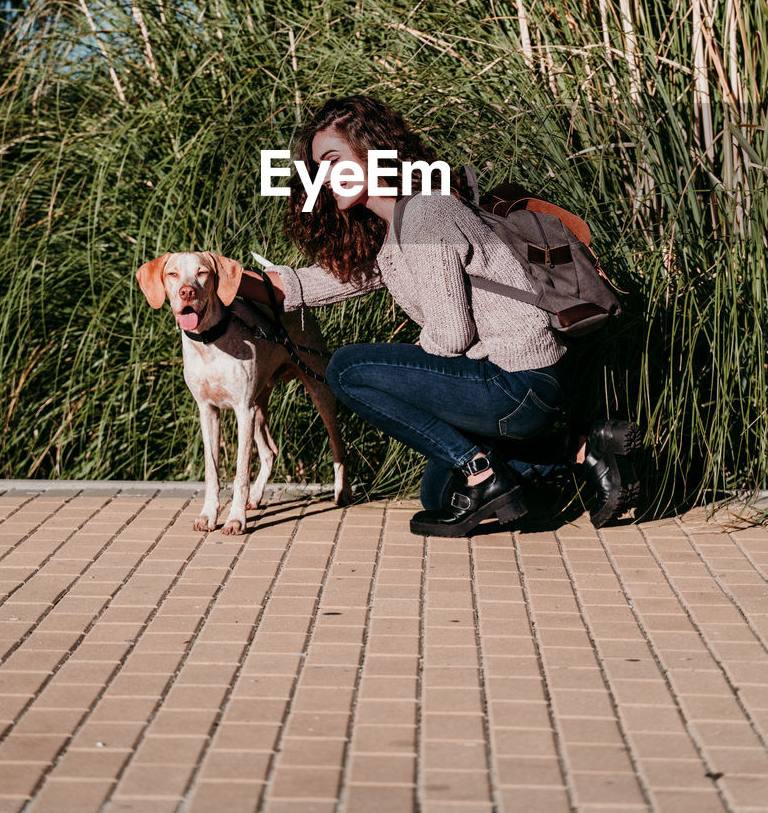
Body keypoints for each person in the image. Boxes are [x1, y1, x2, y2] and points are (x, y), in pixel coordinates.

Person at [237, 94, 640, 537]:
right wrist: (229, 280)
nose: (326, 178)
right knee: (439, 495)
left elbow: (450, 334)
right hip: (517, 386)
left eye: (334, 160)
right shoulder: (396, 233)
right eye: (319, 168)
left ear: (373, 153)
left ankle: (483, 473)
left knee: (349, 369)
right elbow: (312, 286)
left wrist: (405, 378)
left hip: (521, 382)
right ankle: (583, 447)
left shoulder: (426, 215)